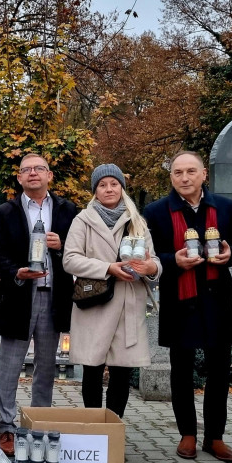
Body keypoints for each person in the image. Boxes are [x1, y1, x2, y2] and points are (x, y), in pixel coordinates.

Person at [143, 151, 232, 463]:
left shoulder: (224, 207)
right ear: (171, 177)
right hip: (180, 297)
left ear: (204, 175)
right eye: (177, 173)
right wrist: (172, 260)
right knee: (182, 370)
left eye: (190, 172)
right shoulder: (157, 211)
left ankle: (215, 437)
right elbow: (149, 257)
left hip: (215, 297)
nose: (184, 178)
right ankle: (187, 433)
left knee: (218, 370)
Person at [0, 153, 77, 456]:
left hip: (55, 295)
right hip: (19, 295)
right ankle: (7, 427)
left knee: (47, 366)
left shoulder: (68, 210)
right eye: (27, 170)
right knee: (10, 366)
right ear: (19, 178)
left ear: (49, 175)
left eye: (39, 169)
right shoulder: (5, 211)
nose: (33, 174)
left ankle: (39, 423)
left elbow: (80, 249)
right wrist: (15, 271)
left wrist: (62, 244)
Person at [63, 164, 160, 416]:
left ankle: (113, 431)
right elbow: (70, 259)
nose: (109, 189)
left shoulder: (137, 222)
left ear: (122, 187)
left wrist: (150, 267)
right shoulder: (82, 220)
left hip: (128, 304)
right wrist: (108, 267)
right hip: (95, 303)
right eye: (102, 185)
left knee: (122, 373)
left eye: (114, 184)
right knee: (92, 370)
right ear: (95, 190)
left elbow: (155, 262)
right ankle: (94, 432)